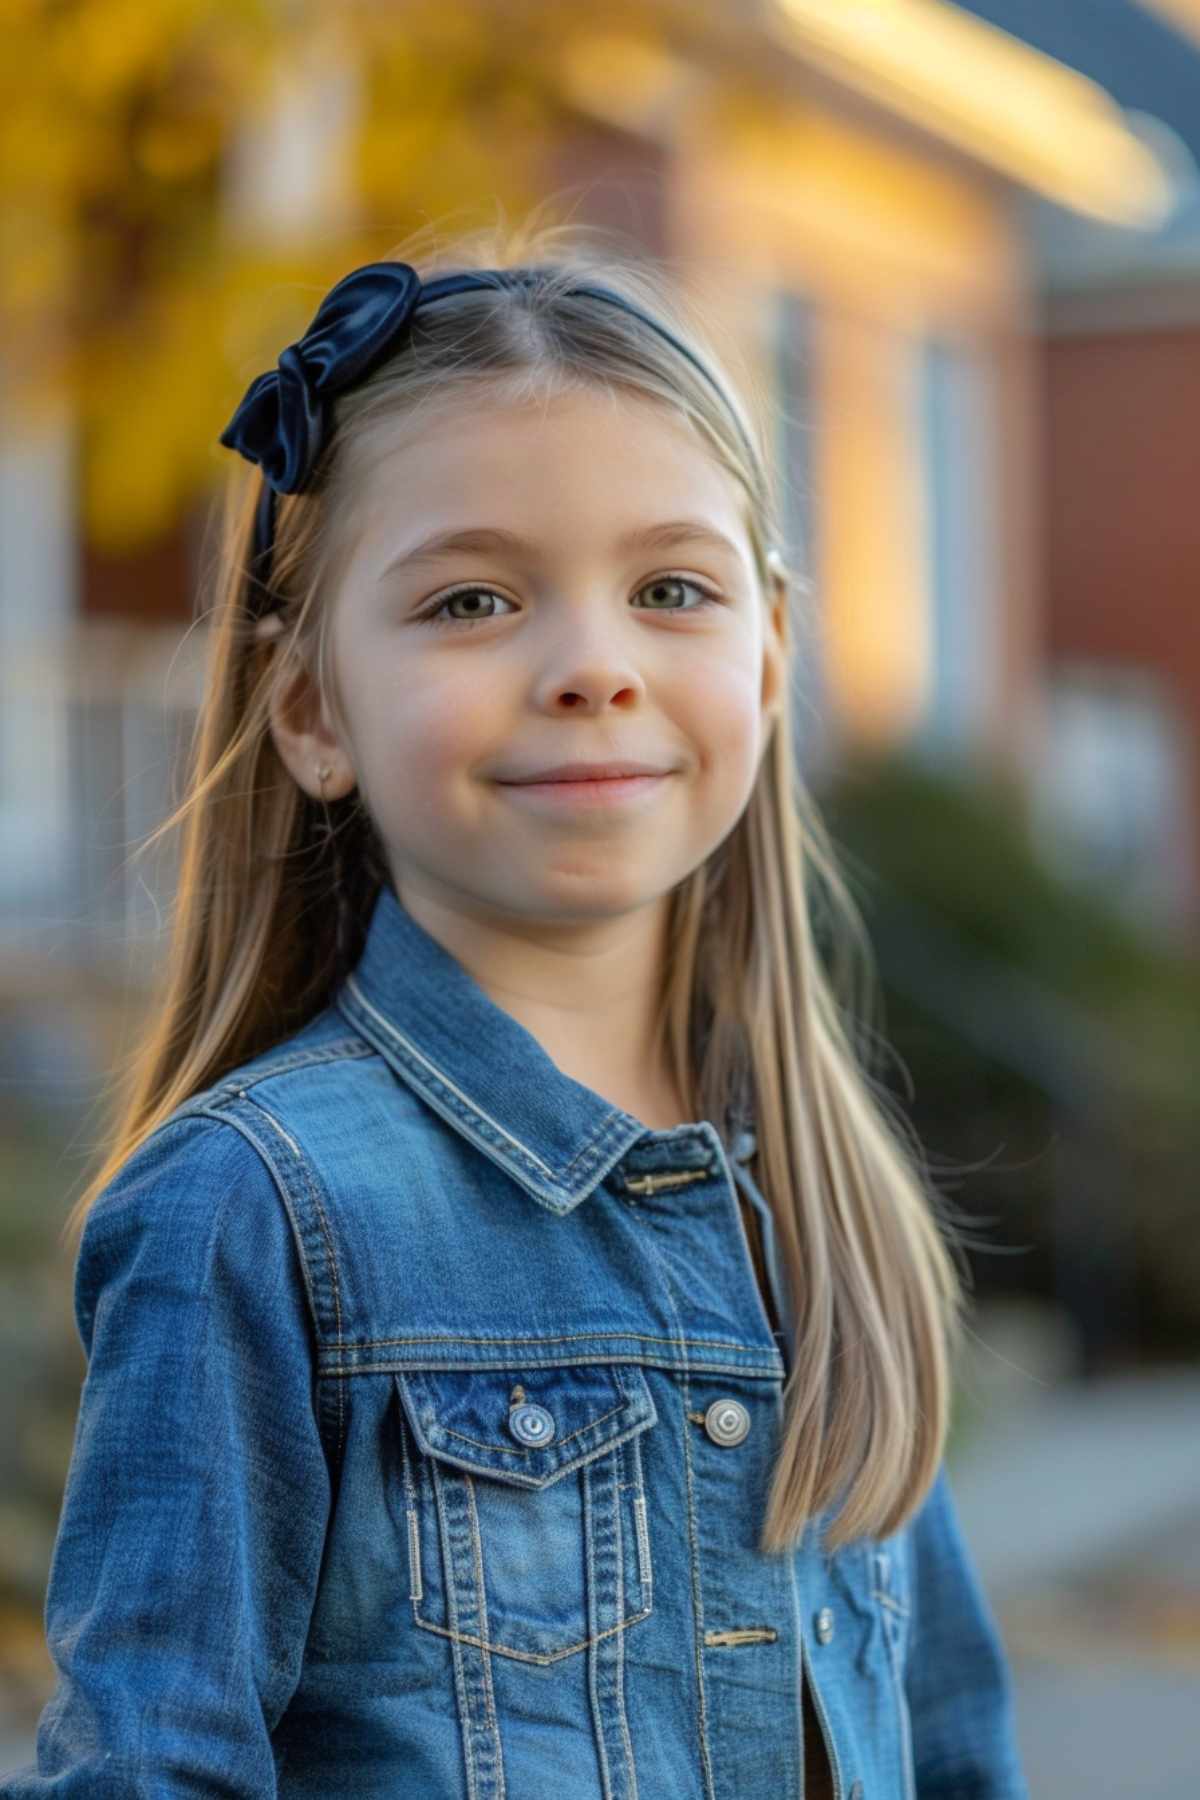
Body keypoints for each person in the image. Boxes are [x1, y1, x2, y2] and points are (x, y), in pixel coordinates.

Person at [3, 219, 1029, 1798]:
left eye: (672, 587)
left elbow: (953, 1749)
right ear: (312, 710)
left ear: (765, 665)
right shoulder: (253, 1211)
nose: (591, 665)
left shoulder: (823, 1205)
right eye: (475, 603)